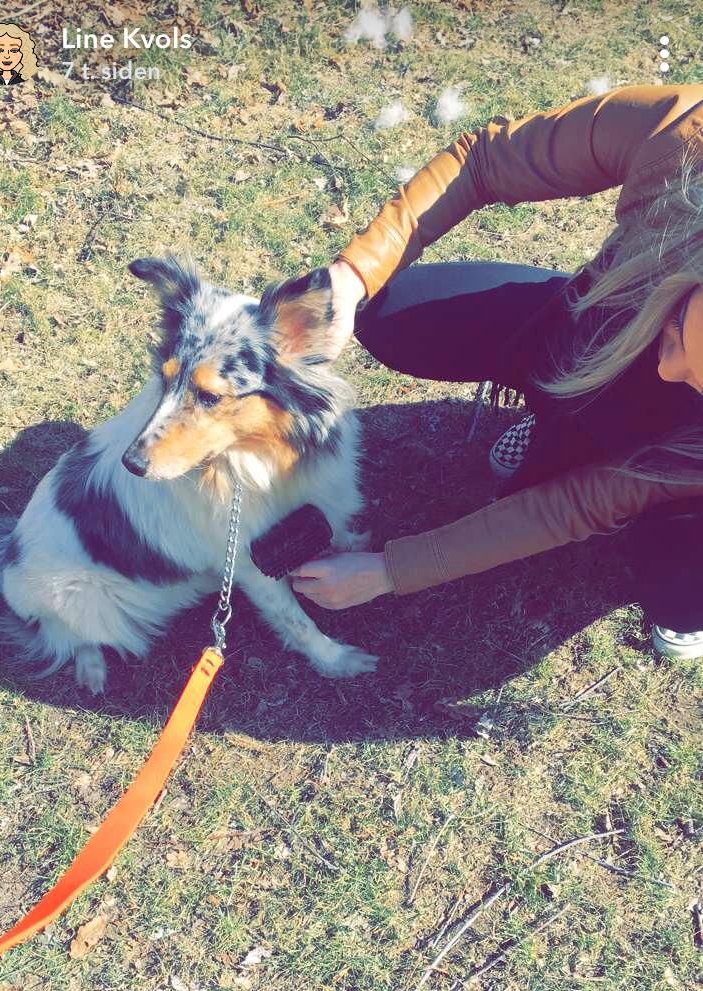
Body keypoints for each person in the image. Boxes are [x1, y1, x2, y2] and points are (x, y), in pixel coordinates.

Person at [288, 82, 703, 660]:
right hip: (597, 320)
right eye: (679, 333)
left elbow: (573, 506)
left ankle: (682, 573)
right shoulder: (682, 134)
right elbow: (484, 160)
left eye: (696, 380)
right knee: (391, 312)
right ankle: (560, 415)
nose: (666, 367)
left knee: (678, 579)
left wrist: (392, 570)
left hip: (689, 457)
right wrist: (355, 274)